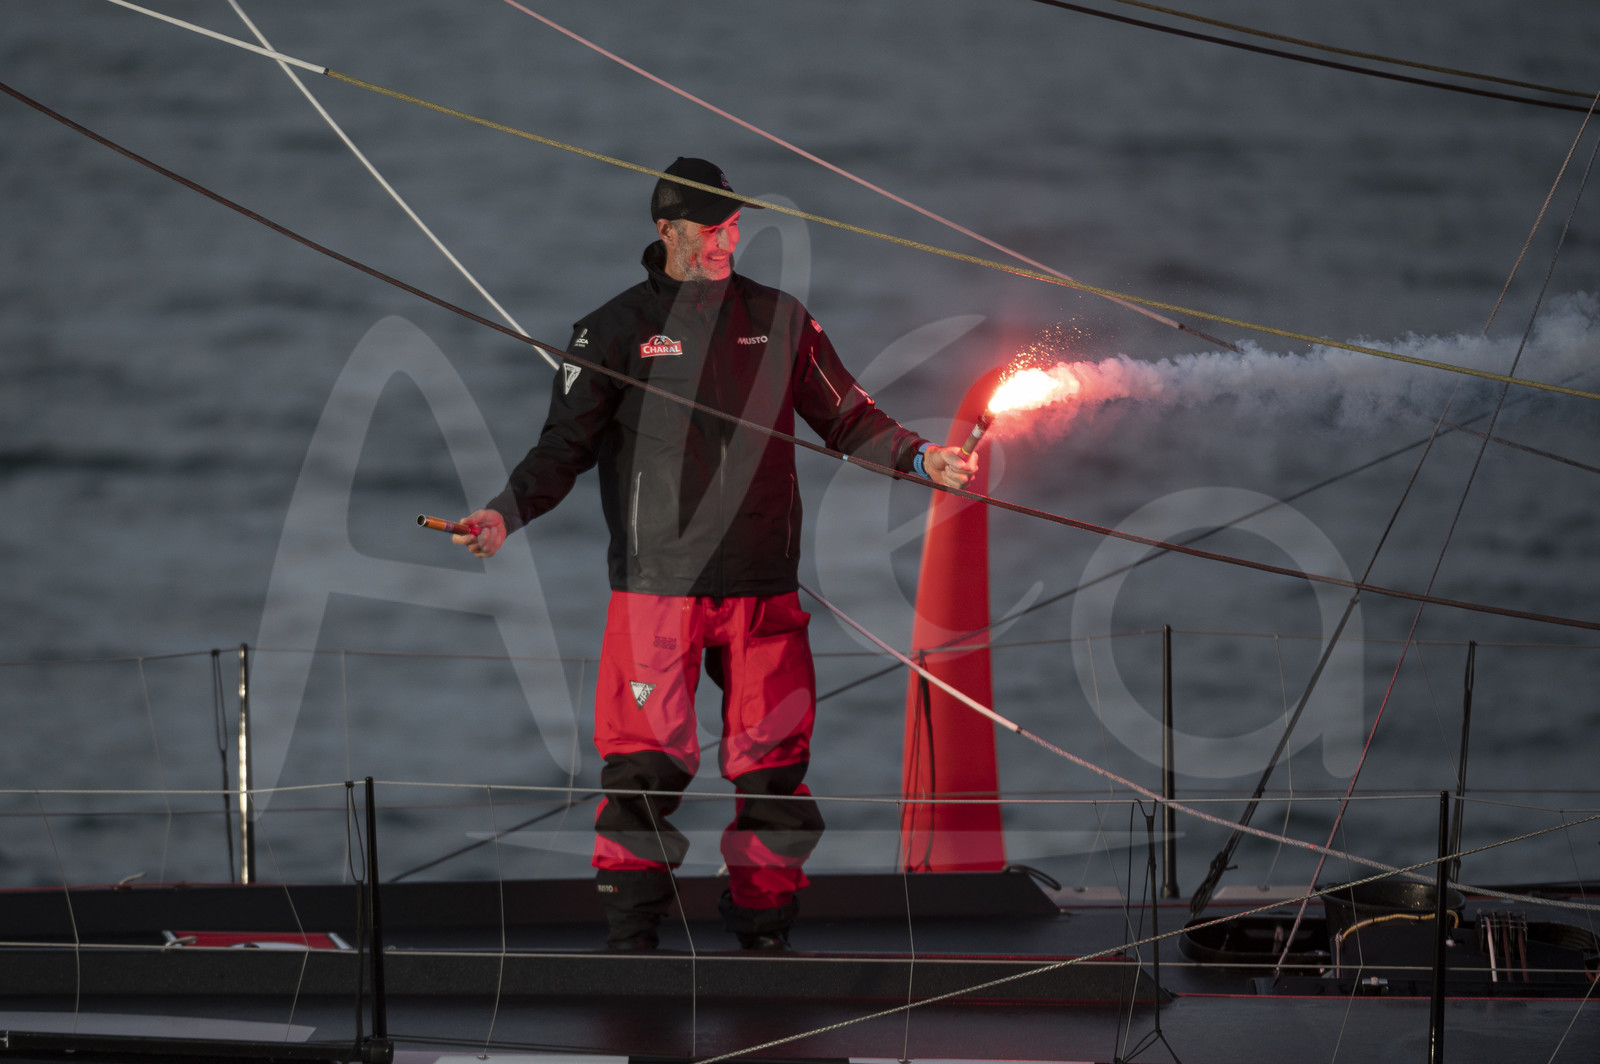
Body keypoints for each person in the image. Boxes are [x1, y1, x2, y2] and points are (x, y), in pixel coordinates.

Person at [453, 157, 977, 951]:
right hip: (657, 593)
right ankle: (633, 944)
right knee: (645, 771)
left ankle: (766, 933)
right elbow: (561, 449)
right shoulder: (612, 330)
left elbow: (848, 418)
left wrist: (920, 458)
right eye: (710, 229)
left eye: (733, 226)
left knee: (774, 772)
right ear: (667, 230)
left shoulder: (780, 318)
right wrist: (502, 514)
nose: (726, 242)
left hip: (763, 588)